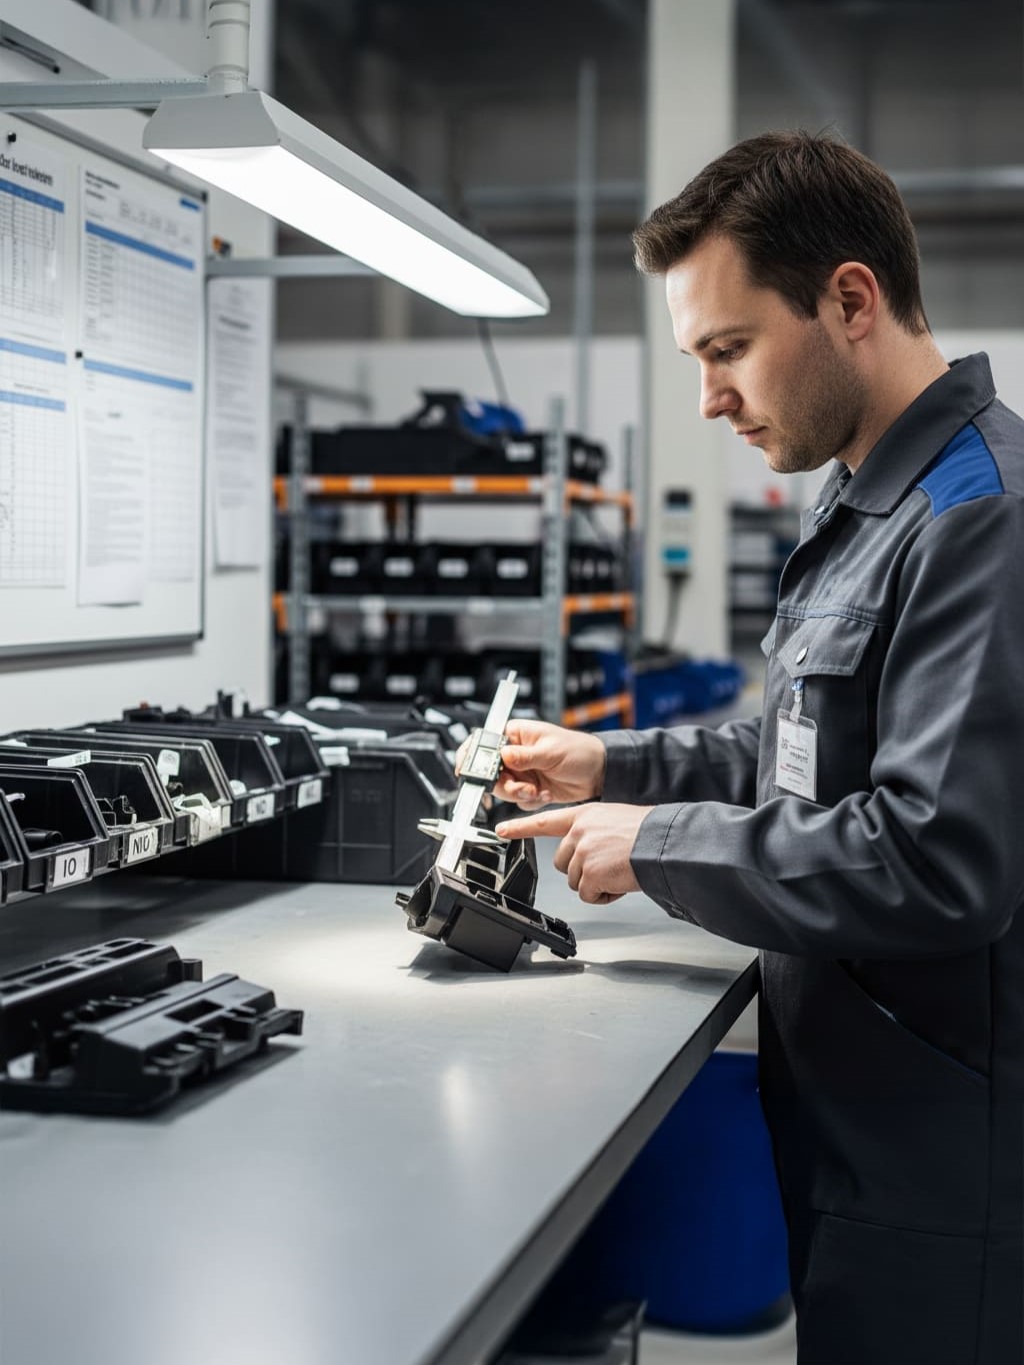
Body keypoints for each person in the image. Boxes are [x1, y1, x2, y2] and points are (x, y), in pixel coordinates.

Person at [490, 132, 1024, 1364]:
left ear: (849, 300)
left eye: (727, 349)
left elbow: (938, 857)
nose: (709, 398)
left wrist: (654, 846)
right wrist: (609, 767)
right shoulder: (865, 498)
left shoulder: (975, 521)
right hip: (857, 1118)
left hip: (946, 1162)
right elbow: (799, 755)